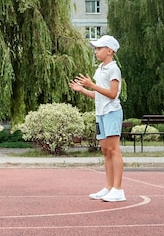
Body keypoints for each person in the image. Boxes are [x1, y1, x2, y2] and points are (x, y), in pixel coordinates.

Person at [69, 35, 125, 202]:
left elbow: (113, 94)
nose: (95, 51)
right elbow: (100, 96)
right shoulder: (99, 69)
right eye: (95, 48)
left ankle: (118, 189)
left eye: (99, 48)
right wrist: (83, 90)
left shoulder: (114, 69)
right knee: (105, 151)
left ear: (110, 51)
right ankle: (108, 187)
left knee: (114, 150)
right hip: (100, 113)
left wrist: (91, 85)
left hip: (112, 113)